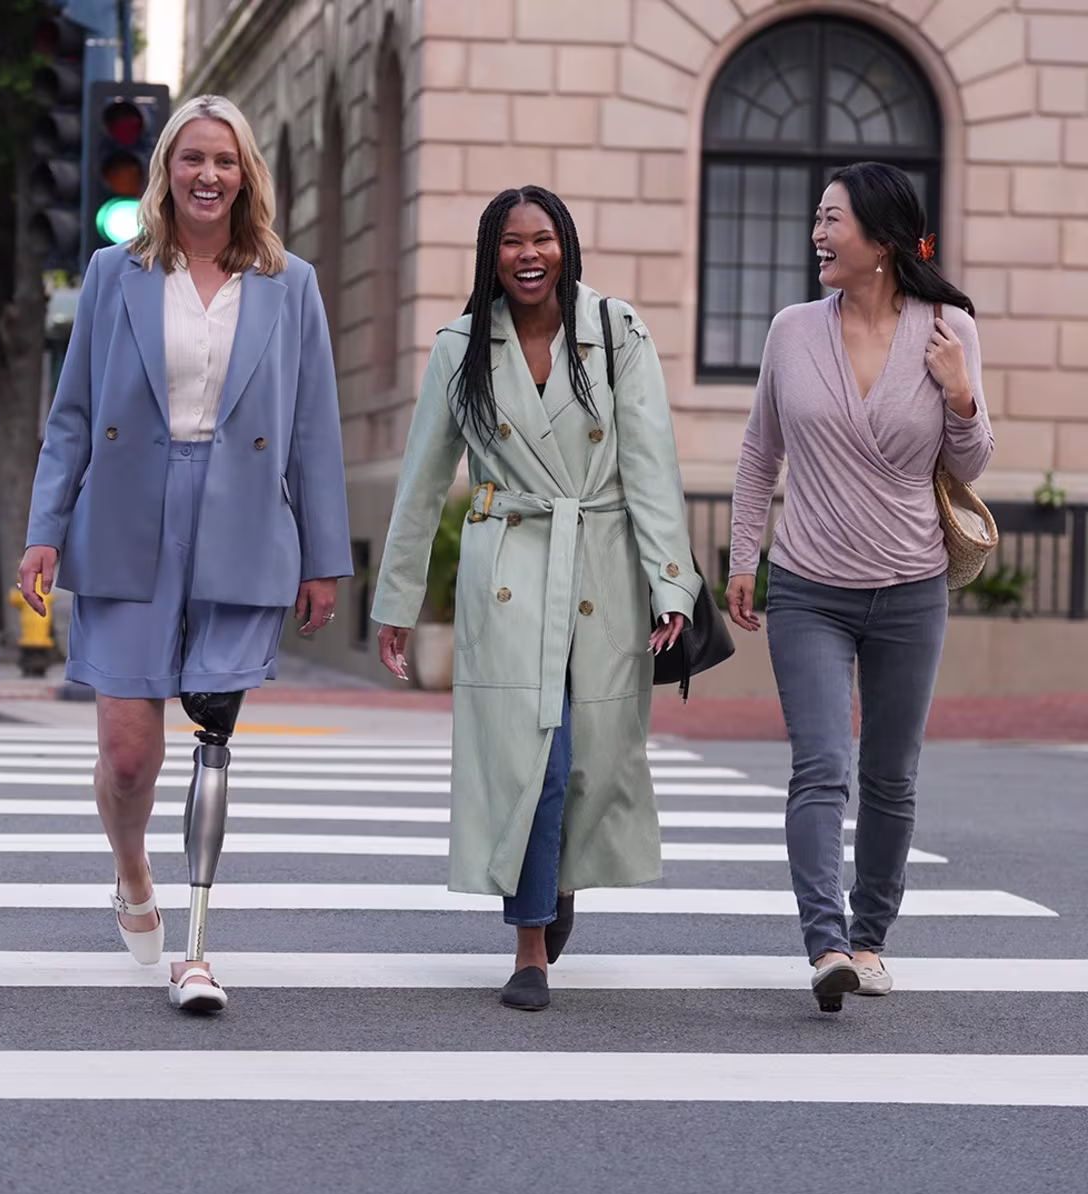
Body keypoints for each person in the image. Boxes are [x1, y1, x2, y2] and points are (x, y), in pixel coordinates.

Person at [18, 94, 351, 1012]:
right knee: (129, 758)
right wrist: (45, 531)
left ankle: (198, 951)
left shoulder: (292, 283)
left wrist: (324, 556)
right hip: (127, 519)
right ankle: (132, 874)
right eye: (193, 158)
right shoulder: (113, 272)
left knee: (213, 739)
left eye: (227, 161)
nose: (209, 175)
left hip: (242, 522)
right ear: (167, 169)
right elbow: (73, 415)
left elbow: (314, 432)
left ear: (249, 177)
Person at [372, 186, 700, 1011]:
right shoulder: (461, 346)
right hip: (509, 567)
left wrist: (672, 581)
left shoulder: (616, 332)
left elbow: (651, 464)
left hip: (599, 566)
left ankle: (557, 881)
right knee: (532, 757)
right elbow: (420, 482)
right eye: (511, 242)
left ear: (565, 247)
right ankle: (528, 946)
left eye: (542, 239)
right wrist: (397, 601)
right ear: (491, 254)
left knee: (587, 758)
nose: (527, 255)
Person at [725, 161, 994, 1011]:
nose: (818, 234)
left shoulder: (948, 331)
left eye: (833, 220)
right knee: (821, 766)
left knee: (889, 774)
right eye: (817, 218)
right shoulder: (792, 330)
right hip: (809, 584)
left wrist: (962, 396)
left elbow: (972, 462)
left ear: (881, 239)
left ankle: (872, 936)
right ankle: (827, 942)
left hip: (912, 587)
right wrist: (743, 558)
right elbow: (759, 451)